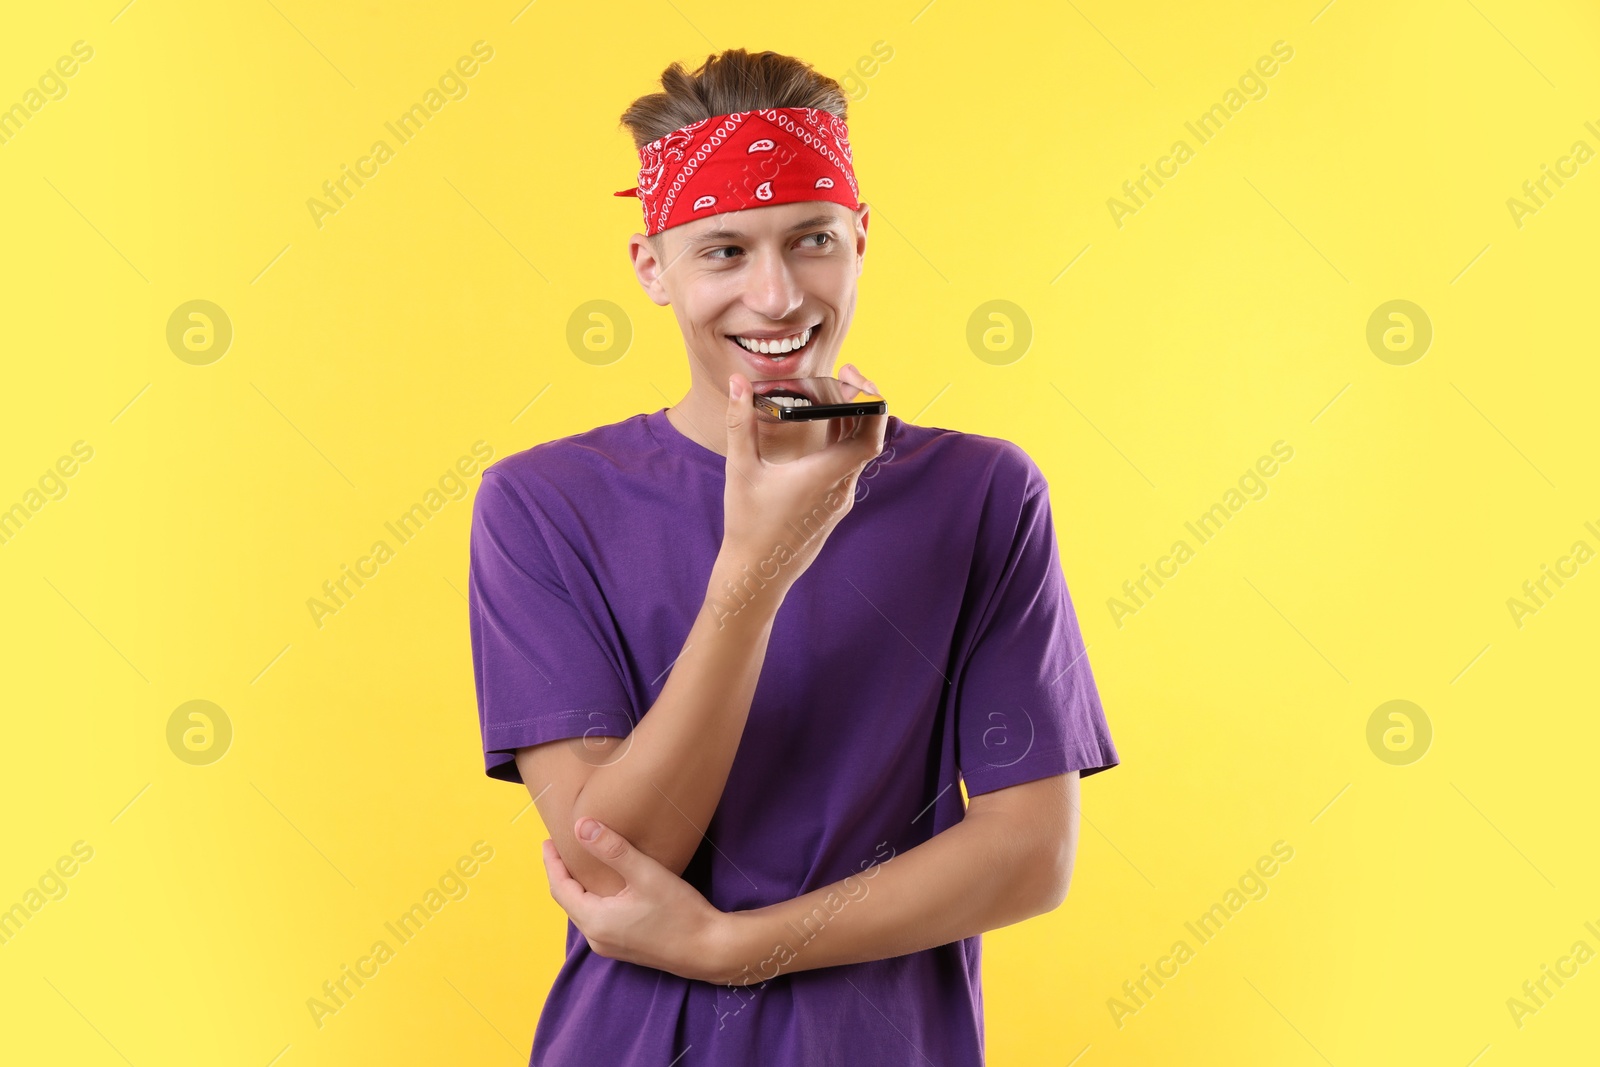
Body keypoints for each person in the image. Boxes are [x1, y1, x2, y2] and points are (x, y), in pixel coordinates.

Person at [467, 47, 1120, 1067]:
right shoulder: (543, 503)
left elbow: (1029, 853)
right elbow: (611, 858)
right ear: (652, 268)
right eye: (722, 250)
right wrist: (758, 567)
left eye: (810, 240)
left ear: (860, 241)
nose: (774, 297)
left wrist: (732, 947)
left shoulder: (980, 493)